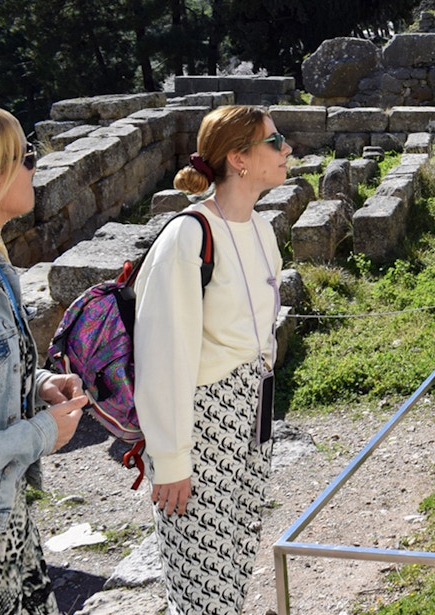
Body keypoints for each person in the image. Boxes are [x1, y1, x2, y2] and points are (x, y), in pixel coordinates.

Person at [134, 105, 287, 614]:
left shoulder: (261, 230)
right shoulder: (189, 235)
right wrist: (171, 459)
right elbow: (162, 354)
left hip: (252, 417)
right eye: (274, 140)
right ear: (239, 159)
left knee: (234, 569)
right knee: (201, 585)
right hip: (202, 425)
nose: (286, 149)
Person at [0, 105, 88, 613]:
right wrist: (42, 433)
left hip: (10, 519)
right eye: (26, 155)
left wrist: (41, 383)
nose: (36, 164)